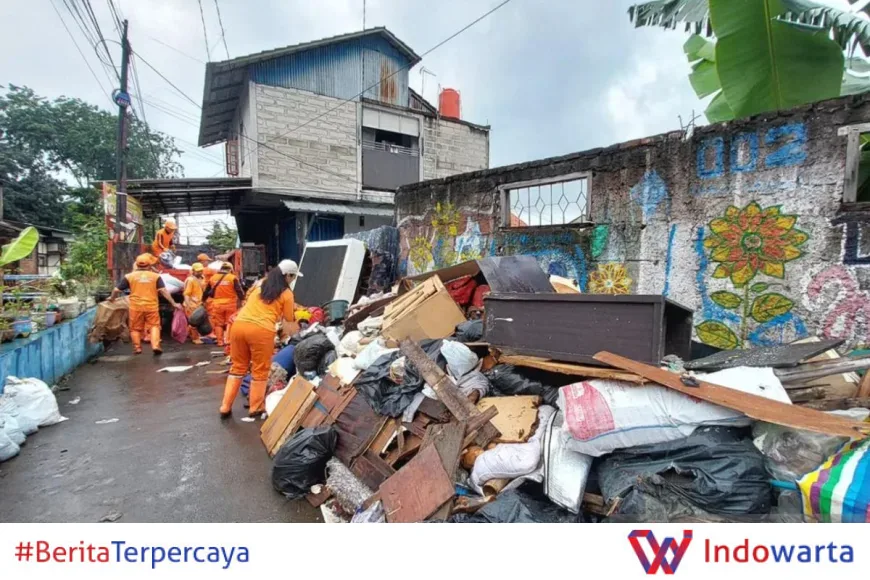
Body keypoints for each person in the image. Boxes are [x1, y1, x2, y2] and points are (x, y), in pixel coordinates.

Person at [219, 259, 302, 419]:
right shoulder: (286, 293)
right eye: (293, 277)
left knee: (237, 368)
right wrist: (297, 320)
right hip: (261, 330)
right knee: (260, 369)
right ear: (287, 275)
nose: (293, 280)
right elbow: (288, 318)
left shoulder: (260, 285)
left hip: (239, 326)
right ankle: (256, 407)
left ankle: (225, 406)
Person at [110, 253, 181, 355]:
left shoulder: (129, 276)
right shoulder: (155, 276)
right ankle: (156, 346)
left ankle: (137, 348)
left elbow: (116, 290)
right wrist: (173, 303)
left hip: (136, 307)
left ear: (137, 264)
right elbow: (163, 291)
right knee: (154, 326)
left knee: (134, 328)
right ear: (149, 265)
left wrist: (112, 298)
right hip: (151, 306)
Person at [204, 262, 244, 346]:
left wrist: (202, 300)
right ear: (230, 269)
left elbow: (206, 291)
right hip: (230, 304)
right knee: (229, 322)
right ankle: (228, 341)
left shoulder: (213, 278)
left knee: (218, 324)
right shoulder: (232, 278)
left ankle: (220, 341)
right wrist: (243, 300)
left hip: (217, 304)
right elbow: (239, 291)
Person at [183, 263, 207, 345]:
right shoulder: (190, 280)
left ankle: (190, 335)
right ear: (193, 271)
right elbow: (186, 294)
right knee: (194, 322)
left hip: (198, 304)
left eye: (201, 270)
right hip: (192, 304)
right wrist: (188, 305)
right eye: (198, 271)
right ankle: (195, 338)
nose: (200, 272)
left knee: (195, 322)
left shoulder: (202, 278)